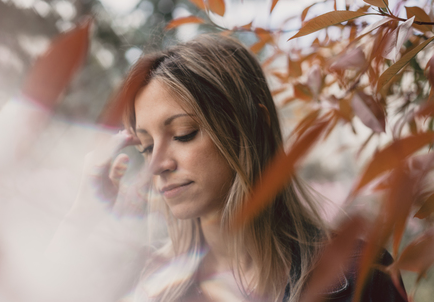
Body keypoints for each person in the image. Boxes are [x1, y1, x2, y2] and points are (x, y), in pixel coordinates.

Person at [61, 34, 405, 302]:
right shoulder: (146, 284)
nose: (156, 164)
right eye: (147, 146)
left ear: (253, 127)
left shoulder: (363, 275)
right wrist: (83, 215)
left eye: (183, 134)